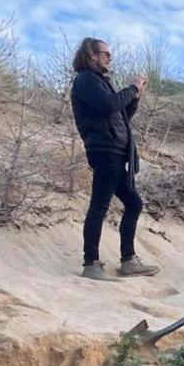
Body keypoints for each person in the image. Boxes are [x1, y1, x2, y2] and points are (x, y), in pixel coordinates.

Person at [70, 37, 160, 280]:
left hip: (115, 151)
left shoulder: (99, 81)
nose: (109, 57)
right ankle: (91, 263)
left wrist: (136, 96)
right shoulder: (86, 80)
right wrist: (131, 89)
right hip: (104, 151)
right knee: (99, 206)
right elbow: (110, 105)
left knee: (134, 203)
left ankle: (128, 260)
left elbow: (121, 115)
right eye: (105, 53)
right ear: (92, 55)